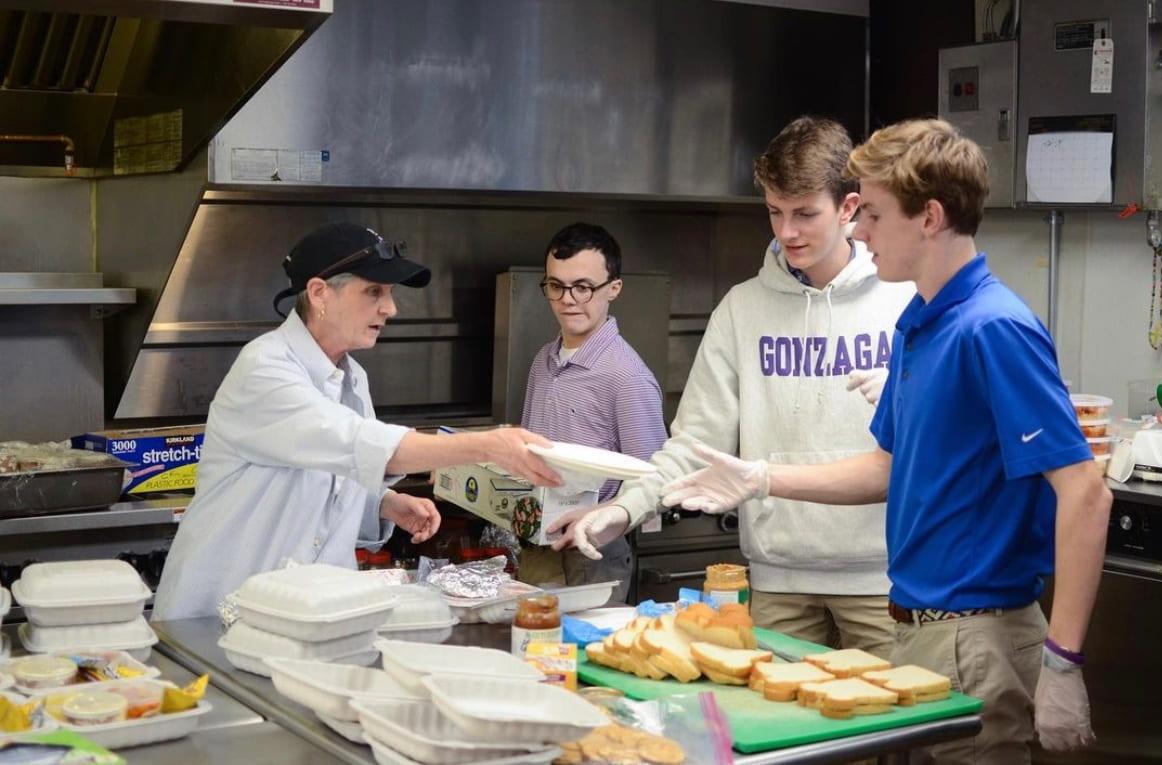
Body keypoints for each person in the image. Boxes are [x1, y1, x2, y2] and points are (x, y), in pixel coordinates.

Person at [646, 119, 1112, 762]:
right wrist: (760, 479)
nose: (859, 230)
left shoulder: (992, 327)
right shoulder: (921, 324)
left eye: (872, 214)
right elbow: (885, 469)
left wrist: (1062, 664)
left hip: (977, 631)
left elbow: (1085, 492)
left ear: (930, 218)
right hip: (918, 623)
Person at [550, 117, 916, 655]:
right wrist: (624, 509)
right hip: (776, 582)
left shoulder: (901, 298)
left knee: (890, 731)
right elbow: (693, 444)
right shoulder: (742, 309)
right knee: (784, 734)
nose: (786, 231)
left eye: (804, 214)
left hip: (884, 580)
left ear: (848, 207)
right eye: (774, 211)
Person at [153, 222, 560, 621]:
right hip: (221, 612)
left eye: (389, 293)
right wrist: (488, 445)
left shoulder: (352, 379)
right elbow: (357, 443)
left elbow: (329, 472)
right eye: (374, 291)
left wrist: (383, 503)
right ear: (319, 293)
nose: (391, 307)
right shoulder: (265, 368)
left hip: (307, 617)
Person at [516, 223, 668, 600]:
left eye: (583, 287)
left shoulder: (627, 376)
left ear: (613, 288)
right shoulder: (543, 361)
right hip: (537, 545)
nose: (568, 299)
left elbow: (657, 482)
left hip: (593, 554)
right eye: (556, 286)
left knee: (585, 656)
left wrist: (604, 521)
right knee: (537, 652)